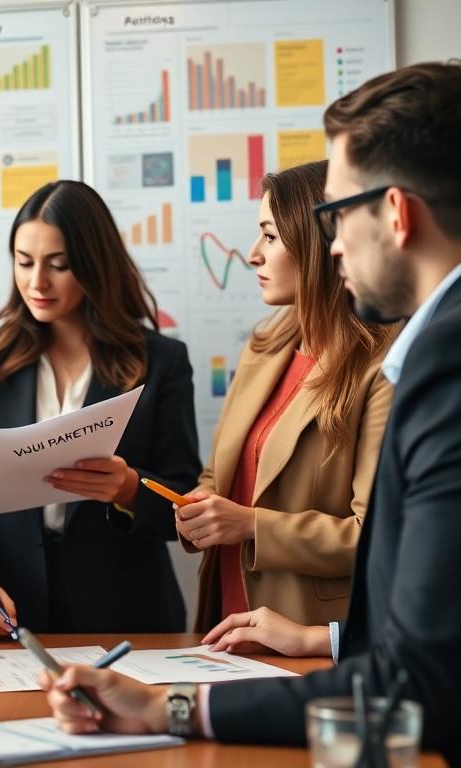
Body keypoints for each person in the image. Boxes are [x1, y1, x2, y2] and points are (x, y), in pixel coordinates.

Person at [40, 62, 461, 765]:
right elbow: (215, 483)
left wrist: (170, 706)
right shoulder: (272, 347)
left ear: (394, 214)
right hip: (241, 639)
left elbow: (413, 661)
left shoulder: (430, 367)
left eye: (334, 214)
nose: (330, 243)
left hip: (327, 678)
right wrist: (146, 495)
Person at [0, 180, 201, 637]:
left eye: (58, 265)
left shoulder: (161, 362)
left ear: (95, 263)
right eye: (24, 262)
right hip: (11, 610)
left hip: (127, 611)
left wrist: (128, 489)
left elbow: (185, 497)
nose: (36, 282)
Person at [178, 160, 396, 632]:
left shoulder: (380, 369)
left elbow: (376, 535)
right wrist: (201, 507)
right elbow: (220, 475)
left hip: (309, 635)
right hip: (225, 626)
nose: (253, 255)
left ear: (319, 246)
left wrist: (251, 524)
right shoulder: (264, 347)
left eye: (270, 237)